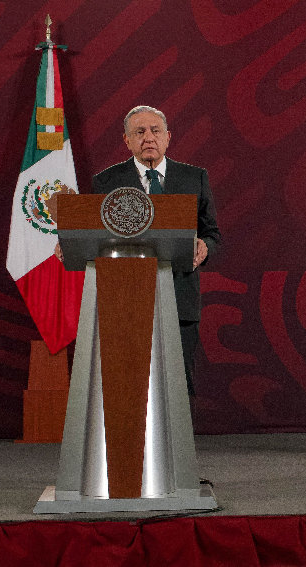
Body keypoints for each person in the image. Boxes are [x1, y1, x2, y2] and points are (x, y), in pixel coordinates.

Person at [92, 105, 221, 395]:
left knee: (178, 384)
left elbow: (213, 234)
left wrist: (205, 246)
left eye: (155, 131)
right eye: (139, 132)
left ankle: (179, 443)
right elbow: (95, 236)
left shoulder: (194, 179)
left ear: (168, 137)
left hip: (180, 297)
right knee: (128, 385)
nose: (148, 137)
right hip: (126, 300)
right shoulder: (105, 182)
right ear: (126, 140)